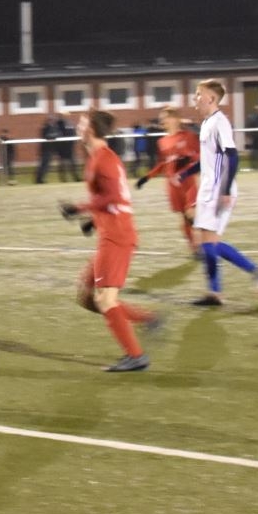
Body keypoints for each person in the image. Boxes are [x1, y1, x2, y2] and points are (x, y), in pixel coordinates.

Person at [58, 110, 162, 372]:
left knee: (105, 299)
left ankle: (136, 356)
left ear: (92, 129)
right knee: (86, 295)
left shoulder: (104, 159)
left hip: (117, 236)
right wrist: (94, 220)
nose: (78, 126)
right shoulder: (98, 157)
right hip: (110, 232)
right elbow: (111, 198)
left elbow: (115, 196)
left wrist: (79, 208)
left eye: (82, 123)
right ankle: (149, 319)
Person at [185, 79, 258, 306]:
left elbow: (232, 155)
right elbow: (208, 160)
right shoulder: (207, 123)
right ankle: (231, 284)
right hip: (211, 188)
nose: (195, 98)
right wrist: (185, 173)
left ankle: (217, 292)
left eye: (199, 94)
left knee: (208, 243)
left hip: (217, 189)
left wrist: (225, 189)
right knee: (209, 243)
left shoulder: (219, 122)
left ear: (211, 98)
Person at [135, 107, 200, 257]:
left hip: (188, 182)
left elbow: (199, 156)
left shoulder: (188, 136)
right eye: (162, 118)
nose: (163, 120)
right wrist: (146, 177)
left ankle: (206, 243)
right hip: (173, 186)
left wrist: (188, 160)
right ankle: (195, 248)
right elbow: (162, 164)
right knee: (185, 217)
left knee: (191, 214)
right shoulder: (162, 142)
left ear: (175, 118)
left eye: (165, 117)